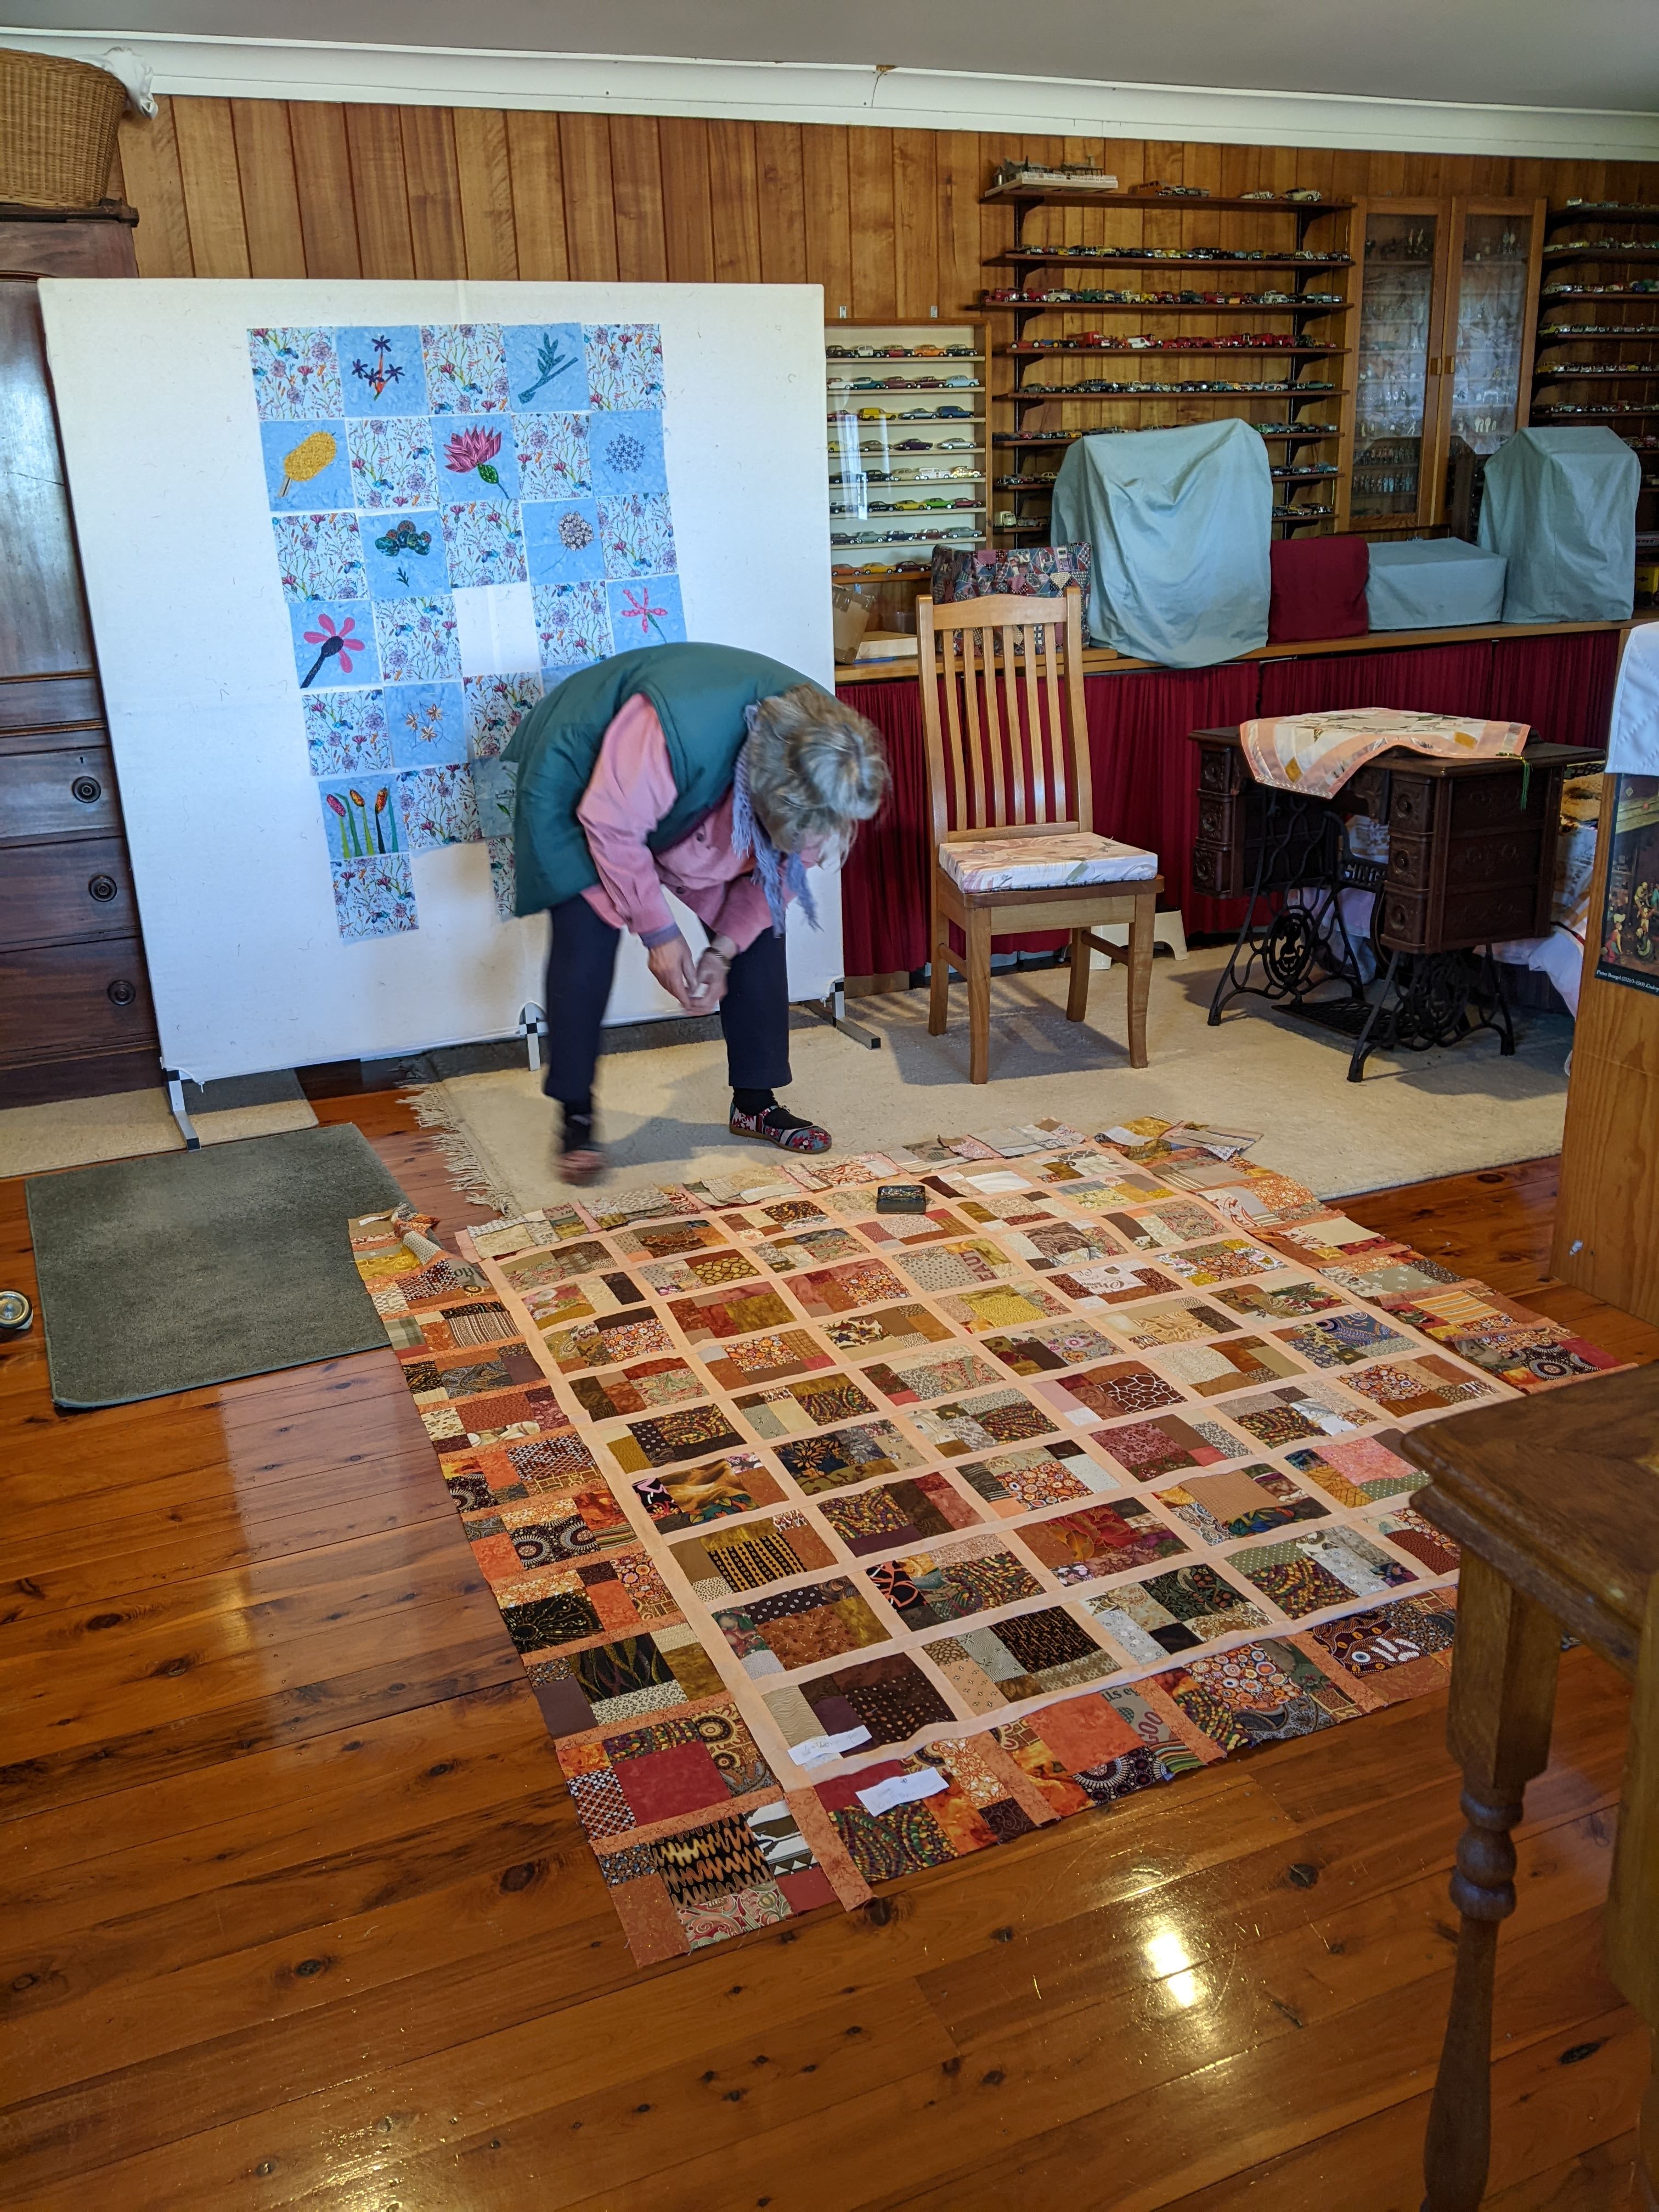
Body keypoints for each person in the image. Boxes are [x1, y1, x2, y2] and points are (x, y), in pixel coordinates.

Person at [503, 641, 889, 1184]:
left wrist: (723, 950)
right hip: (583, 768)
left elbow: (783, 871)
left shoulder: (833, 756)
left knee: (759, 926)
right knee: (585, 932)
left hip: (695, 788)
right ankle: (577, 1115)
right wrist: (660, 935)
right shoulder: (673, 730)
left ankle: (755, 1103)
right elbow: (613, 827)